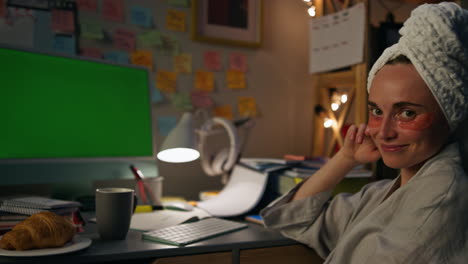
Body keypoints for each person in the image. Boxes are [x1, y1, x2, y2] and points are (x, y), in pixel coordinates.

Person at [260, 2, 468, 263]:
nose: (383, 132)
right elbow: (292, 218)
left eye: (407, 113)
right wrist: (345, 158)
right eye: (376, 111)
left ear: (449, 116)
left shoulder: (437, 205)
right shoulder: (383, 193)